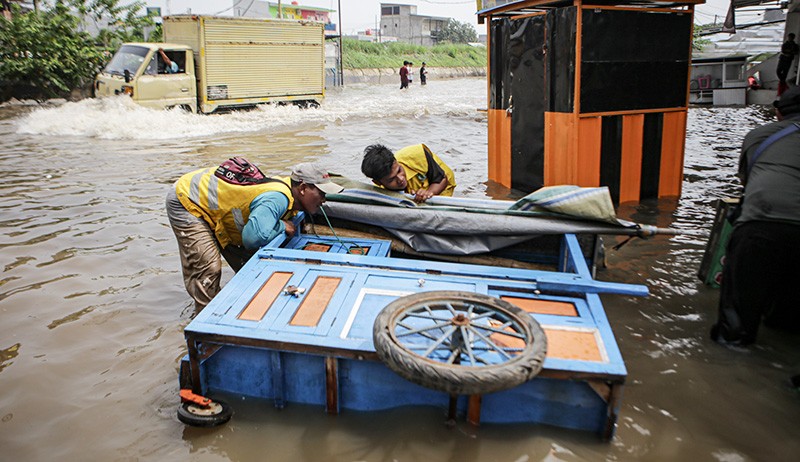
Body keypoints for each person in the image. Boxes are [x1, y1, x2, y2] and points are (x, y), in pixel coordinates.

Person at [167, 162, 344, 311]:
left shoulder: (288, 195)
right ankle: (204, 324)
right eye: (321, 193)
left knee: (246, 263)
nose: (324, 199)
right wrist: (282, 225)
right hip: (187, 201)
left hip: (215, 208)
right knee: (209, 269)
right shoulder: (278, 198)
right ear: (303, 188)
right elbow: (252, 238)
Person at [710, 85, 800, 346]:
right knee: (788, 325)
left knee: (736, 324)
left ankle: (731, 362)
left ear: (778, 113)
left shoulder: (759, 136)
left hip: (760, 225)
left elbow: (749, 183)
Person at [361, 143, 456, 202]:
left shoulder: (417, 155)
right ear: (378, 182)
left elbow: (442, 179)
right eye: (391, 180)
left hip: (442, 184)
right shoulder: (380, 191)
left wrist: (428, 193)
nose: (400, 179)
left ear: (396, 161)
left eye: (399, 170)